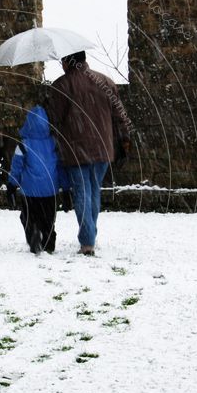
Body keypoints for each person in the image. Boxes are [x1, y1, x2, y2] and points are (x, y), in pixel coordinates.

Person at [47, 51, 132, 256]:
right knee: (93, 190)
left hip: (77, 149)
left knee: (82, 192)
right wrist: (125, 140)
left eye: (62, 62)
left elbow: (54, 120)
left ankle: (87, 241)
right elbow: (120, 116)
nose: (61, 65)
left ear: (68, 62)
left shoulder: (61, 86)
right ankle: (90, 234)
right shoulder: (106, 82)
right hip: (103, 147)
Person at [6, 105, 71, 255]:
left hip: (29, 190)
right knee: (48, 218)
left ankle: (33, 233)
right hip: (50, 190)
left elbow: (17, 167)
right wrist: (66, 189)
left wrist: (11, 185)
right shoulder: (54, 143)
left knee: (28, 216)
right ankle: (49, 241)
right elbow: (60, 167)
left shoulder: (23, 145)